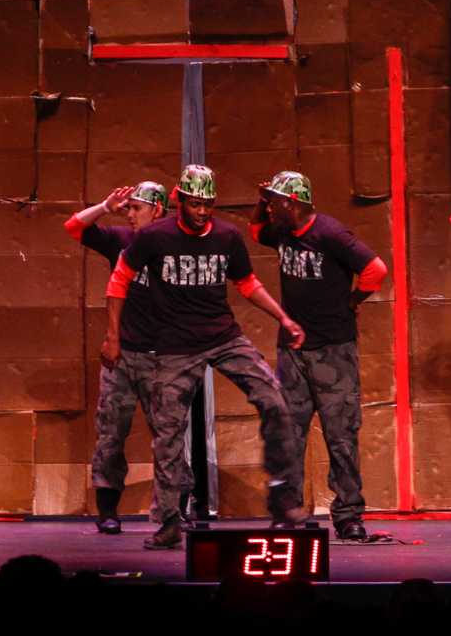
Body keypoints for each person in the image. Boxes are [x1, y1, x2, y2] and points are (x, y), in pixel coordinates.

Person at [103, 164, 307, 549]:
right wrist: (112, 337)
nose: (202, 212)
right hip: (175, 347)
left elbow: (247, 284)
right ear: (180, 200)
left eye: (208, 205)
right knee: (167, 434)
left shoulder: (227, 236)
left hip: (223, 337)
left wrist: (284, 318)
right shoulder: (153, 237)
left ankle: (284, 496)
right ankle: (166, 522)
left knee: (274, 399)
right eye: (195, 204)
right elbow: (119, 281)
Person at [251, 171, 388, 540]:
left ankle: (348, 514)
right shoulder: (280, 231)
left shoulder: (330, 233)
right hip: (292, 352)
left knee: (341, 436)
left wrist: (353, 301)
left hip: (332, 351)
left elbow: (376, 269)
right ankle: (288, 511)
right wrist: (262, 198)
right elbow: (254, 231)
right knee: (289, 434)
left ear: (292, 204)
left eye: (274, 201)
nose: (269, 208)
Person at [64, 181, 177, 534]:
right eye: (127, 209)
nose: (129, 215)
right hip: (123, 355)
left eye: (136, 208)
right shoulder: (121, 241)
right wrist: (104, 206)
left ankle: (171, 512)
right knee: (110, 434)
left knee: (170, 437)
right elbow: (74, 226)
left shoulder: (176, 246)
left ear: (157, 210)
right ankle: (108, 511)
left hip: (165, 357)